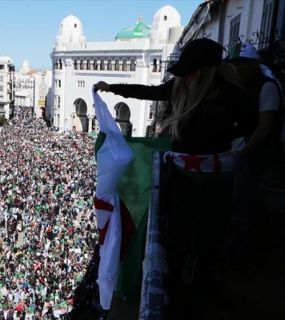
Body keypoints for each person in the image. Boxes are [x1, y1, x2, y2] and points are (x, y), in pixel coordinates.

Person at [96, 38, 253, 319]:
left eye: (190, 71)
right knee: (177, 238)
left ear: (207, 72)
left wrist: (231, 149)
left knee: (210, 241)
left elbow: (251, 127)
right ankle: (172, 295)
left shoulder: (232, 95)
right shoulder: (181, 87)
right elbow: (149, 92)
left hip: (216, 181)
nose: (185, 77)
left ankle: (198, 298)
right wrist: (113, 88)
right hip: (183, 178)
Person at [225, 41, 284, 267]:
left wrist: (243, 156)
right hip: (238, 153)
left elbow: (265, 127)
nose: (237, 68)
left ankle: (238, 255)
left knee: (241, 207)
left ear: (254, 64)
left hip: (251, 156)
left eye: (242, 64)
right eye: (234, 64)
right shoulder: (242, 86)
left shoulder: (266, 87)